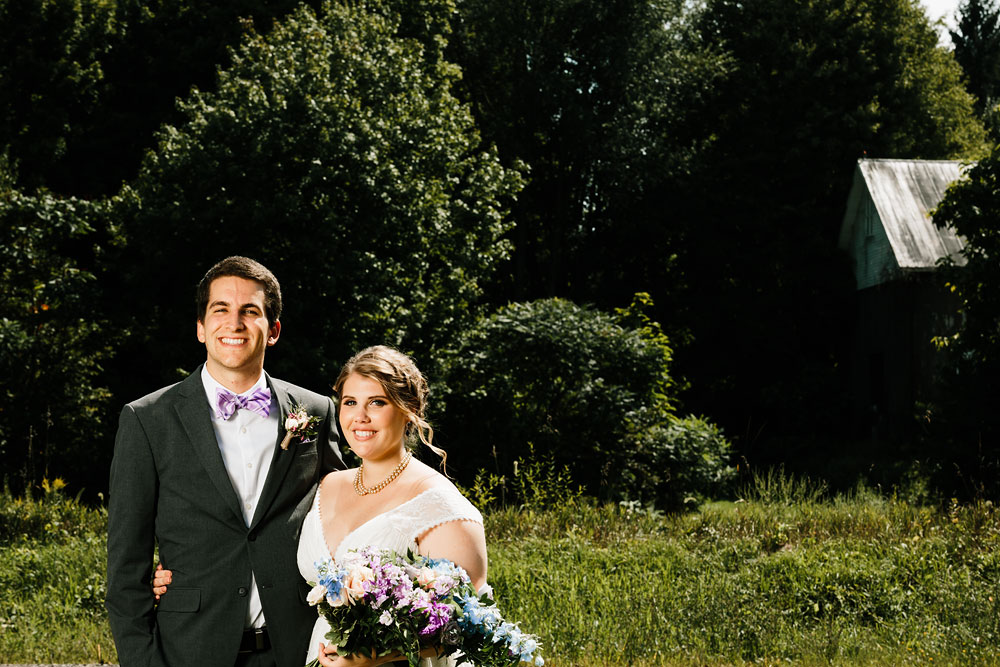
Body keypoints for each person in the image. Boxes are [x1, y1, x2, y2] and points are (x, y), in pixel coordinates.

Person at [154, 345, 488, 667]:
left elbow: (466, 629)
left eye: (377, 403)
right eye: (350, 402)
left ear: (408, 410)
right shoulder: (328, 484)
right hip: (314, 653)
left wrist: (374, 657)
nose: (360, 417)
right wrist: (180, 574)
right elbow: (264, 538)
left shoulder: (439, 505)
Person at [106, 256, 345, 667]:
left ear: (273, 331)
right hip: (189, 649)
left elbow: (348, 525)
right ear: (201, 327)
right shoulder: (146, 420)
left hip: (300, 649)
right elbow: (126, 568)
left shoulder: (317, 411)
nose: (234, 323)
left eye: (250, 312)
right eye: (221, 310)